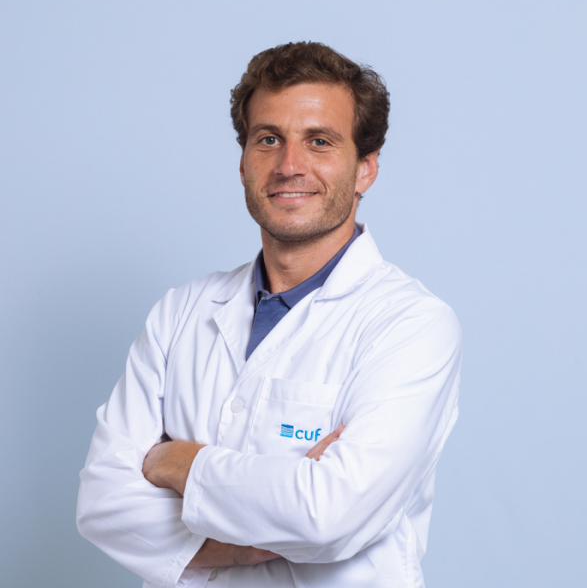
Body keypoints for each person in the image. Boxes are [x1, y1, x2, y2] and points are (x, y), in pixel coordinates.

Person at [77, 41, 462, 588]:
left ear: (365, 169)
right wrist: (263, 527)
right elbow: (101, 502)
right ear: (243, 163)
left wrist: (175, 461)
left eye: (320, 141)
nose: (289, 166)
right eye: (268, 139)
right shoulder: (180, 313)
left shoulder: (412, 325)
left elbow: (328, 516)